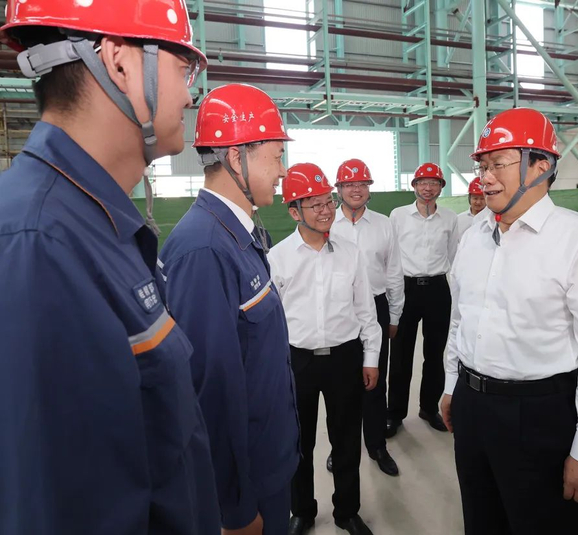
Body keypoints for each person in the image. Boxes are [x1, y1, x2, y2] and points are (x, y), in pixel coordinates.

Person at [0, 1, 220, 534]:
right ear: (120, 62)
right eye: (183, 68)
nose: (190, 95)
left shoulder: (91, 219)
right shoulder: (40, 245)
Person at [441, 107, 578, 535]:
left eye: (498, 163)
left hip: (540, 416)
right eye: (482, 166)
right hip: (472, 407)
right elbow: (460, 320)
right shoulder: (473, 237)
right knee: (482, 521)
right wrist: (453, 385)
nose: (486, 177)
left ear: (541, 165)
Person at [157, 84, 299, 535]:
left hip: (269, 464)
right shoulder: (204, 249)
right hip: (247, 489)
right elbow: (208, 393)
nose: (283, 170)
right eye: (277, 156)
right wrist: (234, 509)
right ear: (238, 158)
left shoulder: (238, 233)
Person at [268, 163, 381, 535]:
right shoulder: (278, 258)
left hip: (344, 359)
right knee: (297, 442)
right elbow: (272, 322)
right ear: (294, 212)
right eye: (314, 204)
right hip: (296, 361)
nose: (326, 210)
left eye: (328, 201)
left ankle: (347, 511)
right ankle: (302, 510)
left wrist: (371, 357)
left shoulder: (350, 253)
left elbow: (365, 310)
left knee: (346, 440)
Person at [328, 158, 404, 477]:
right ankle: (340, 448)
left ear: (369, 189)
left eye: (361, 183)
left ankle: (377, 445)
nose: (356, 189)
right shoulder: (327, 222)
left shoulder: (384, 224)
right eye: (349, 184)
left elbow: (394, 271)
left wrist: (395, 314)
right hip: (340, 309)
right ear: (339, 189)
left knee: (375, 379)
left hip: (376, 306)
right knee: (341, 384)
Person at [386, 163, 459, 437]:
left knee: (435, 353)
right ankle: (395, 413)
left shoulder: (450, 218)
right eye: (423, 182)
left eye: (434, 183)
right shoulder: (398, 215)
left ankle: (429, 408)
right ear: (414, 186)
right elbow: (391, 256)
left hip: (438, 288)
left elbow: (453, 255)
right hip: (407, 288)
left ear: (441, 187)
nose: (428, 188)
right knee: (401, 354)